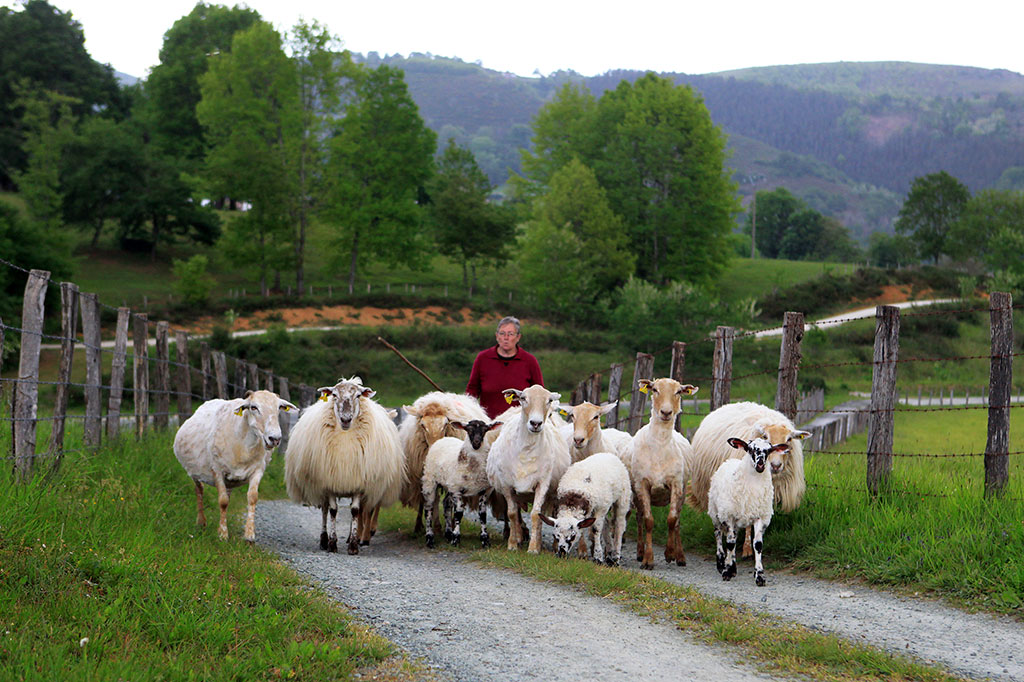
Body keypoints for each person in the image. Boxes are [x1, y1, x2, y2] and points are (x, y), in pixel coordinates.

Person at [466, 316, 544, 418]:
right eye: (502, 333)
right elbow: (472, 390)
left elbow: (539, 392)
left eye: (510, 334)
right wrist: (465, 407)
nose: (506, 338)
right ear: (496, 336)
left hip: (518, 423)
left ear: (518, 337)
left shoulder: (529, 361)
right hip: (488, 423)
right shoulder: (483, 358)